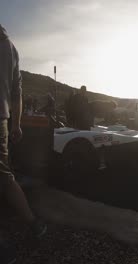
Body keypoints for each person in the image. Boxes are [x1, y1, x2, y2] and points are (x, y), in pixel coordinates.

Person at [0, 24, 47, 264]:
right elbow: (17, 91)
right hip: (3, 120)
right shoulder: (12, 48)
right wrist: (16, 123)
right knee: (5, 177)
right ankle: (33, 223)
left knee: (5, 177)